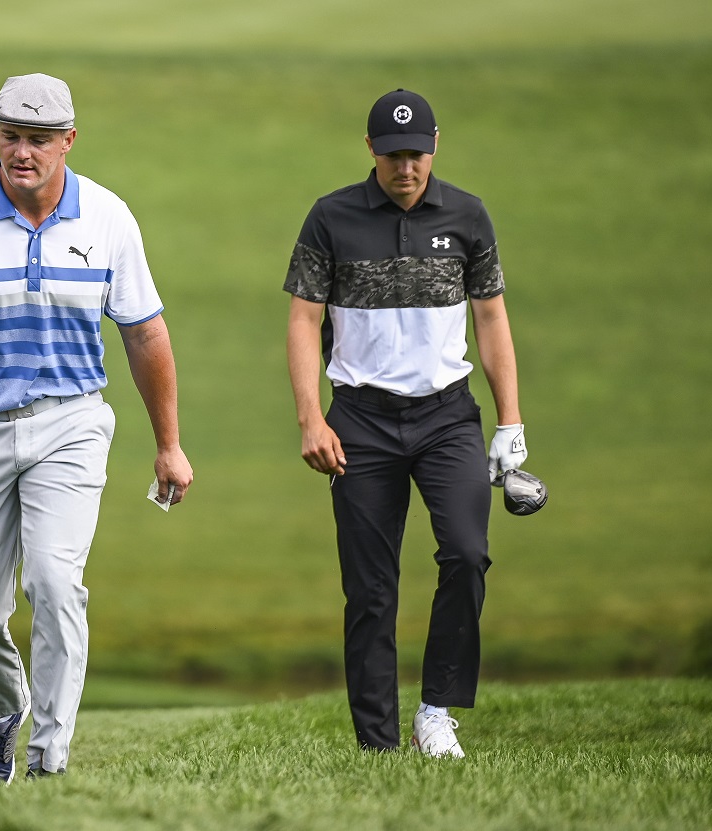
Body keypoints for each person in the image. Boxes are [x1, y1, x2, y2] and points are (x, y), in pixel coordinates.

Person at [0, 73, 193, 784]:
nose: (23, 152)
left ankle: (50, 753)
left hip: (70, 422)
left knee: (54, 583)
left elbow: (146, 333)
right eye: (11, 136)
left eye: (39, 139)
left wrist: (168, 444)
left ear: (68, 142)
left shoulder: (108, 217)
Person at [283, 89, 527, 758]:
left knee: (468, 553)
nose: (405, 168)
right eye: (392, 155)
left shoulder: (468, 216)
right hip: (360, 419)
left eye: (416, 153)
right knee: (369, 588)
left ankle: (435, 710)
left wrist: (511, 421)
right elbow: (305, 320)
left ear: (435, 145)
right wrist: (312, 420)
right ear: (372, 151)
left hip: (448, 415)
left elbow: (491, 317)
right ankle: (378, 745)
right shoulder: (331, 218)